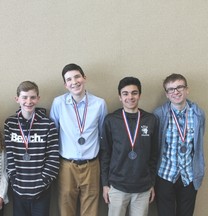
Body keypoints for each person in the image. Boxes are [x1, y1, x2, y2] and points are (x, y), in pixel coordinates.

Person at [50, 63, 108, 216]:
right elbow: (53, 134)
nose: (74, 82)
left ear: (84, 78)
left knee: (90, 210)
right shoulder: (58, 103)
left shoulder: (99, 104)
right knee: (66, 209)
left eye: (77, 77)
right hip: (67, 166)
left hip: (92, 165)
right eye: (69, 79)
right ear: (65, 84)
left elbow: (103, 135)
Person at [100, 77, 158, 216]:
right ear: (120, 97)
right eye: (125, 93)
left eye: (134, 93)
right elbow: (105, 153)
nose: (130, 97)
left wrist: (151, 183)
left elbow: (154, 154)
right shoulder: (111, 120)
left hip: (143, 188)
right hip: (117, 186)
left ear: (140, 95)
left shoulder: (150, 120)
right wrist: (105, 185)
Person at [153, 73, 205, 216]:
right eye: (171, 89)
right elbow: (154, 146)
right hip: (165, 175)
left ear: (186, 90)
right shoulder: (159, 115)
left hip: (188, 176)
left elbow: (199, 143)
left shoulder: (198, 114)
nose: (176, 92)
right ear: (167, 94)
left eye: (179, 87)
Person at [4, 81, 59, 216]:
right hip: (18, 189)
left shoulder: (48, 124)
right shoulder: (10, 123)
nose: (28, 101)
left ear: (38, 99)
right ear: (17, 99)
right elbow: (9, 156)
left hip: (42, 189)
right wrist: (15, 180)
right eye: (24, 97)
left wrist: (42, 181)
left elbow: (53, 157)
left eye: (32, 97)